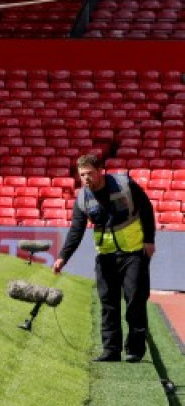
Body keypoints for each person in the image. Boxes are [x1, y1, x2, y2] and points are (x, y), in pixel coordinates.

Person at [53, 154, 156, 363]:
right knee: (108, 304)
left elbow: (146, 209)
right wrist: (63, 257)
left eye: (89, 173)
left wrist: (149, 240)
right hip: (106, 257)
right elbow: (76, 230)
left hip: (133, 253)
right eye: (82, 175)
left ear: (100, 170)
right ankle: (111, 350)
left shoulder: (124, 185)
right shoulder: (82, 198)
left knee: (135, 300)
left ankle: (135, 350)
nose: (86, 178)